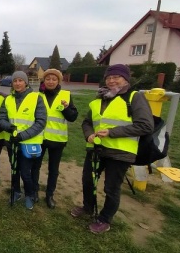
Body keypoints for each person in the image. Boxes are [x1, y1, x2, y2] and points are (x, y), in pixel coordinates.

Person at [70, 64, 154, 234]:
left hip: (120, 152)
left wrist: (112, 132)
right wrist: (88, 135)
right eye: (109, 77)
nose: (112, 80)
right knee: (88, 180)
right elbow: (87, 122)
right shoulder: (99, 99)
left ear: (125, 79)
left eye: (116, 77)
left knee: (111, 187)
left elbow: (146, 125)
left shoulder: (134, 98)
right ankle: (88, 207)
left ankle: (105, 219)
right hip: (96, 148)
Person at [0, 71, 46, 210]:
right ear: (12, 83)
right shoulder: (8, 99)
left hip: (28, 143)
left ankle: (29, 194)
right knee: (14, 170)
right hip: (12, 141)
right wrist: (9, 127)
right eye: (15, 81)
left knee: (25, 172)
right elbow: (1, 119)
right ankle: (16, 191)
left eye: (20, 80)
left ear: (26, 82)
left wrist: (22, 135)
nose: (17, 83)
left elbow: (41, 122)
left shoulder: (36, 98)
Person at [33, 69, 78, 209]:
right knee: (35, 167)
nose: (50, 81)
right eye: (48, 79)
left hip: (57, 140)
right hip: (39, 138)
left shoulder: (66, 96)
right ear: (44, 81)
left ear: (58, 81)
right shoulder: (37, 95)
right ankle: (34, 191)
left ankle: (49, 194)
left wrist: (65, 108)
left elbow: (72, 117)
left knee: (53, 169)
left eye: (54, 79)